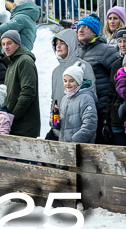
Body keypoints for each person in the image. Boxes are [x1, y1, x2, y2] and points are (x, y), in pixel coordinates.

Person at [75, 14, 121, 143]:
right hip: (83, 111)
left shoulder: (107, 51)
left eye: (85, 27)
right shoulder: (76, 52)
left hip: (102, 110)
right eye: (79, 27)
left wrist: (110, 110)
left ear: (95, 32)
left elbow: (118, 80)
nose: (81, 30)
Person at [49, 28, 96, 140]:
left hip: (78, 127)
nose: (58, 46)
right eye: (56, 43)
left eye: (62, 43)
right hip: (60, 127)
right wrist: (53, 119)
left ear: (71, 44)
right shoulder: (56, 71)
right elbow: (54, 99)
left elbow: (90, 94)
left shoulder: (83, 66)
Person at [1, 30, 40, 138]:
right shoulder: (11, 62)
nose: (6, 47)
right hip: (13, 123)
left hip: (24, 125)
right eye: (3, 44)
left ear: (18, 44)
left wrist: (14, 115)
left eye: (9, 43)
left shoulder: (25, 61)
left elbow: (28, 92)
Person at [55, 64, 98, 143]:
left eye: (71, 81)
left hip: (80, 146)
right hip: (64, 145)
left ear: (78, 81)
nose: (67, 84)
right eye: (65, 81)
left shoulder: (86, 98)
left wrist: (74, 141)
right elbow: (62, 126)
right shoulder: (65, 99)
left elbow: (89, 126)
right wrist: (55, 122)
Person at [107, 29, 126, 145]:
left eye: (125, 41)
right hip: (116, 120)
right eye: (120, 41)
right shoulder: (116, 65)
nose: (123, 45)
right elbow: (111, 93)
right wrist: (107, 119)